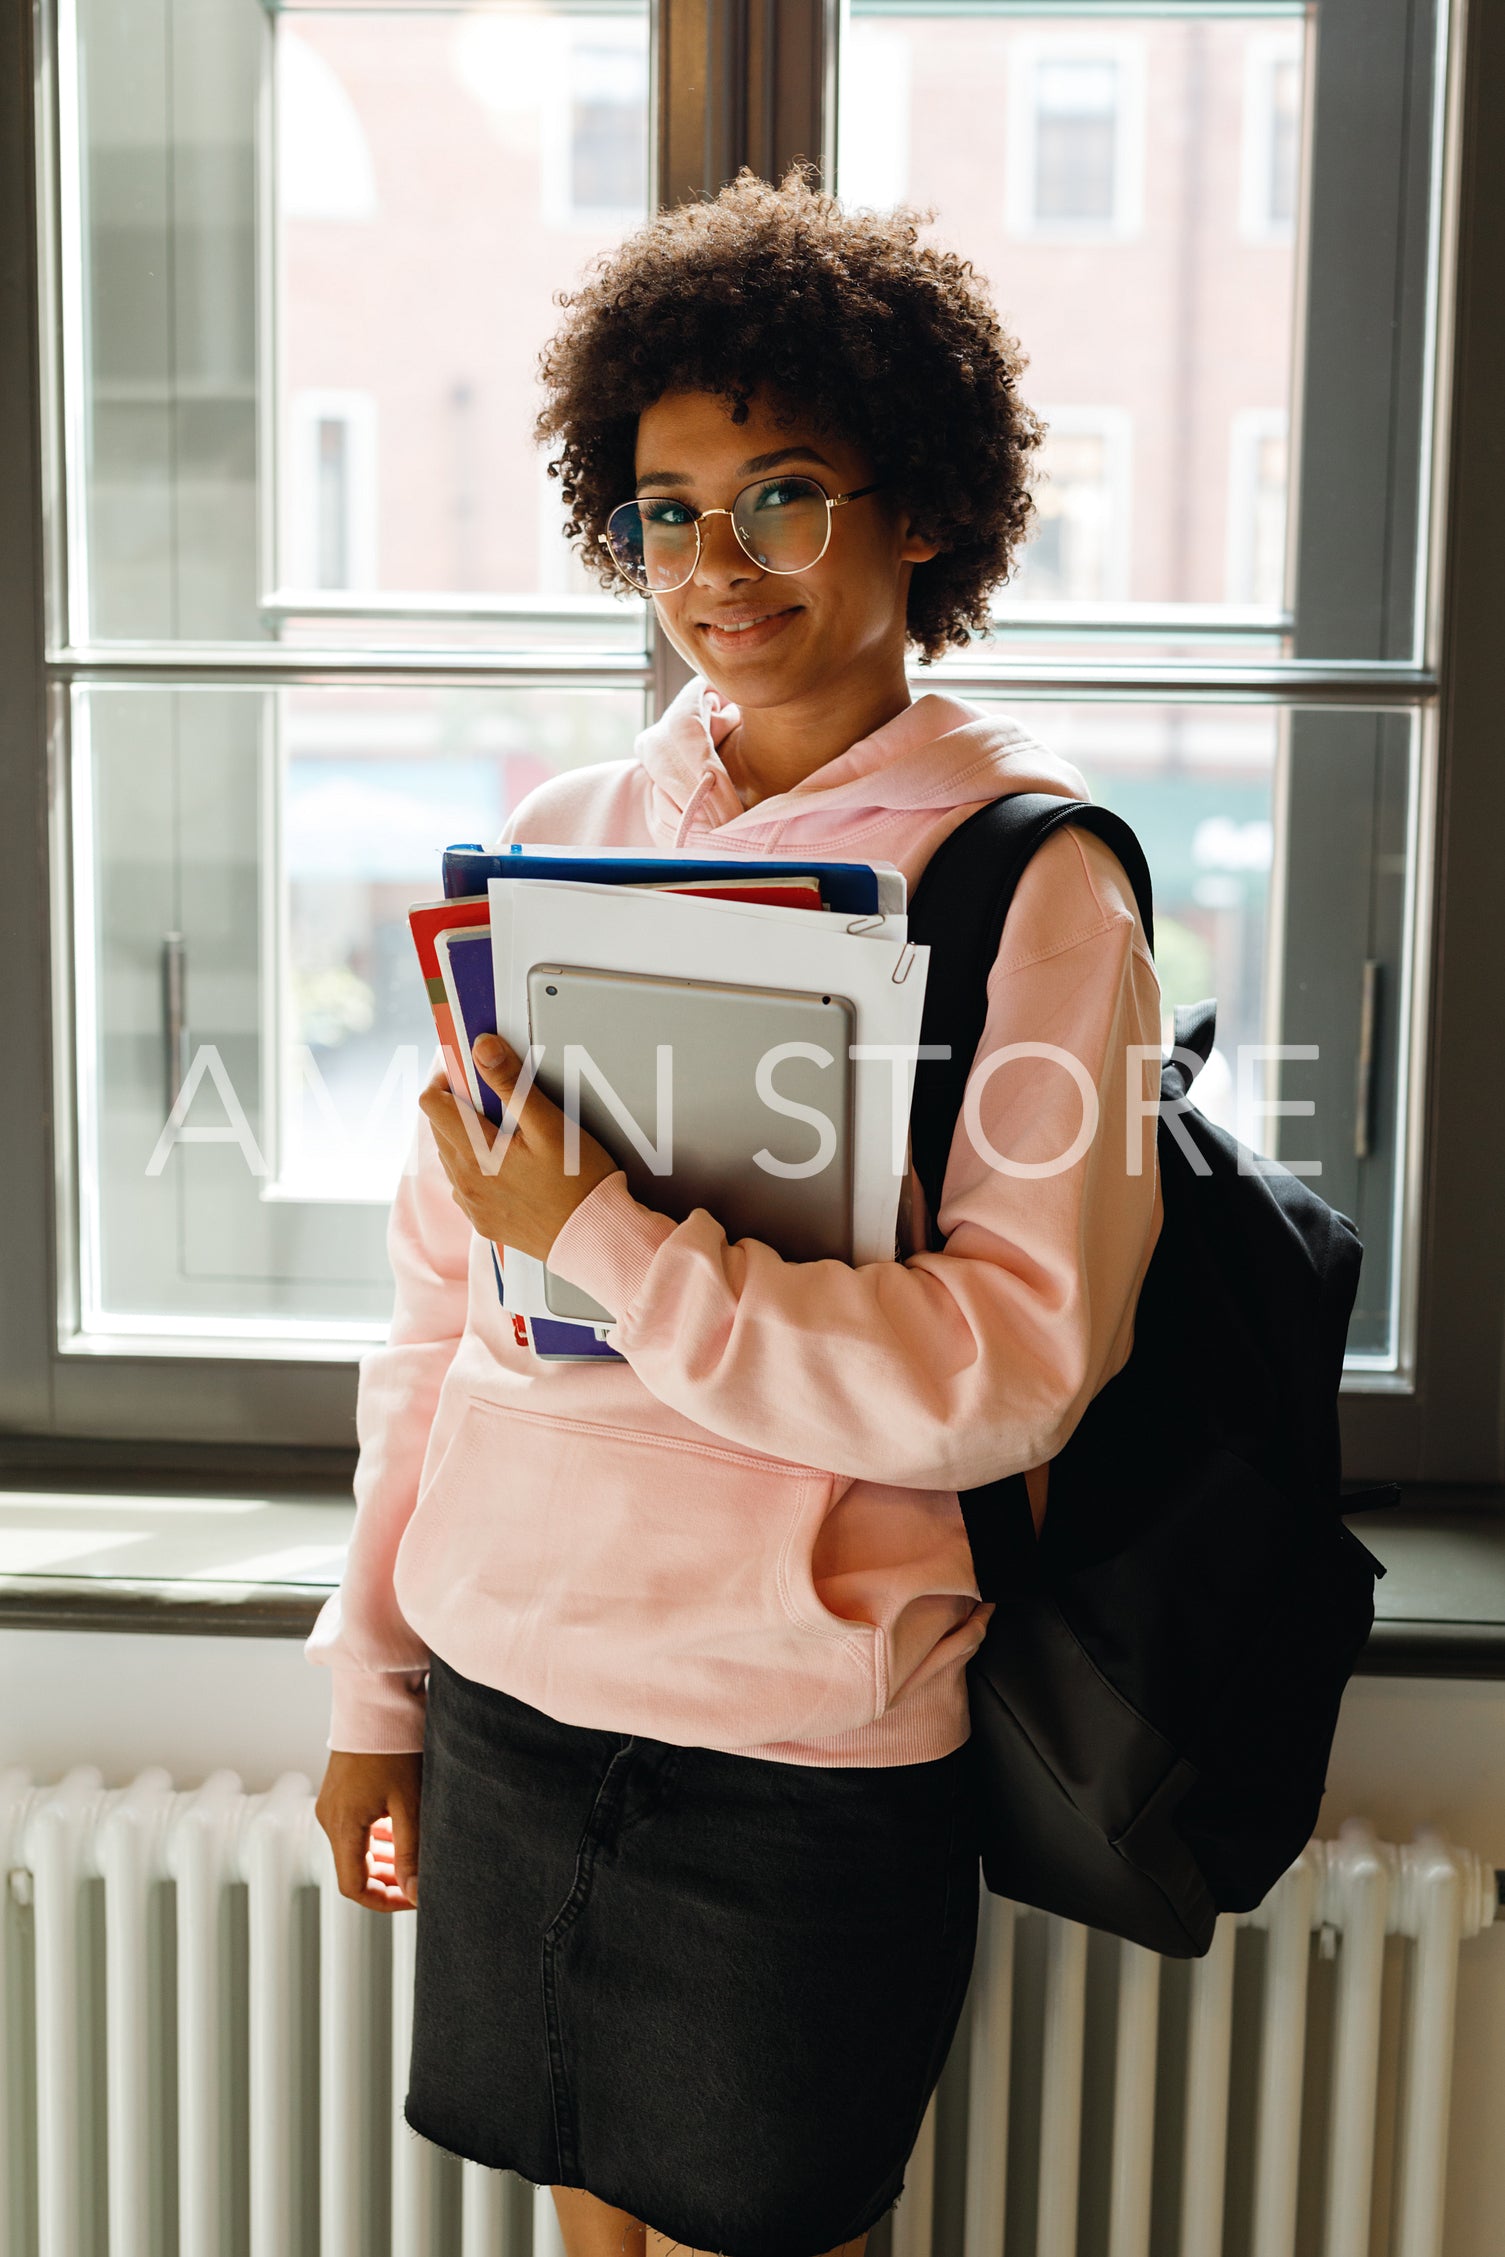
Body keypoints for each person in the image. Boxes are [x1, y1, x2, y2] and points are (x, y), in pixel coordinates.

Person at [309, 168, 1163, 2257]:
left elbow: (1008, 1375)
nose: (719, 563)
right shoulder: (556, 840)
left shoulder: (1028, 885)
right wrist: (372, 1692)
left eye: (784, 494)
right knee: (584, 2238)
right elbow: (442, 1309)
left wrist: (605, 1237)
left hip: (798, 1734)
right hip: (514, 1693)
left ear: (923, 509)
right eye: (668, 506)